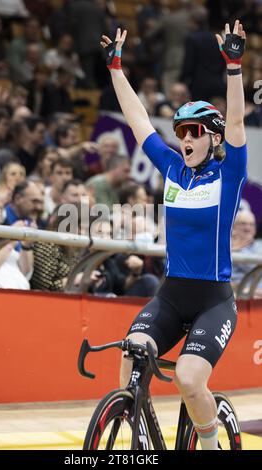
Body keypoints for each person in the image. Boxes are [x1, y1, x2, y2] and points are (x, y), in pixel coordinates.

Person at [100, 20, 247, 451]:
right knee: (131, 354)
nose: (184, 137)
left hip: (214, 301)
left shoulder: (228, 174)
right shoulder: (170, 168)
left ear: (212, 138)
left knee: (187, 377)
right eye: (180, 131)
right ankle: (141, 435)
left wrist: (234, 68)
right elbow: (138, 119)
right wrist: (115, 70)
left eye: (194, 132)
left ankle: (209, 443)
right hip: (172, 294)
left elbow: (237, 121)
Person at [231, 209, 262, 297]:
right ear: (234, 226)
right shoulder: (224, 245)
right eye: (243, 223)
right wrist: (232, 249)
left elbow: (254, 266)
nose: (247, 228)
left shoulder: (259, 245)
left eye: (251, 224)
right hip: (235, 293)